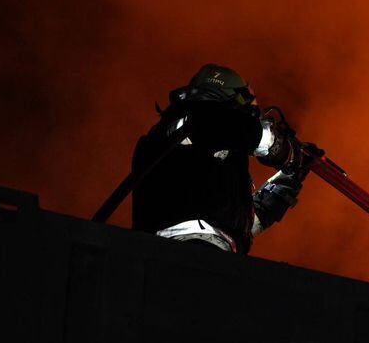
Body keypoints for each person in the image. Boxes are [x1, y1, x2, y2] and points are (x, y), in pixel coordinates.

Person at [130, 64, 318, 253]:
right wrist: (285, 150)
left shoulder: (211, 157)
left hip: (215, 258)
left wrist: (288, 181)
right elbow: (236, 127)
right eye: (247, 106)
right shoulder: (186, 123)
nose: (253, 114)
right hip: (175, 252)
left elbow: (245, 224)